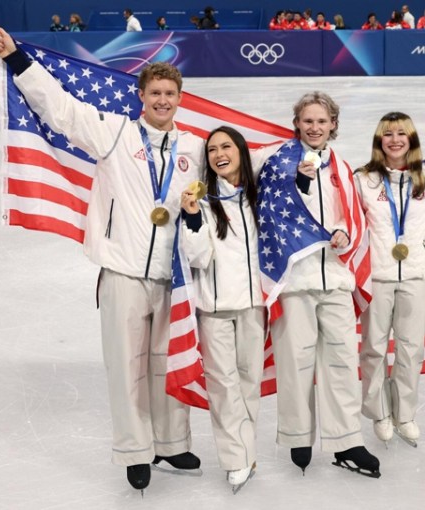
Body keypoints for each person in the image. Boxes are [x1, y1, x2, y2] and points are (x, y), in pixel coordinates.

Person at [0, 26, 204, 493]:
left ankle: (171, 443)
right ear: (141, 96)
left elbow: (236, 172)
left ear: (179, 98)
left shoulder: (194, 148)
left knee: (168, 361)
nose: (162, 100)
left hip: (174, 276)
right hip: (123, 271)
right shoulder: (115, 132)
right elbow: (62, 110)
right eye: (155, 93)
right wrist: (17, 59)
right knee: (127, 366)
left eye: (169, 94)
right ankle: (135, 451)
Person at [251, 92, 381, 478]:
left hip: (335, 276)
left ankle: (347, 441)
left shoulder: (341, 165)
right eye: (307, 120)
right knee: (296, 360)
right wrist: (298, 182)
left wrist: (343, 232)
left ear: (333, 124)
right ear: (296, 123)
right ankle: (298, 436)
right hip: (294, 278)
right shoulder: (279, 161)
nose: (314, 127)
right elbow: (267, 203)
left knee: (342, 360)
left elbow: (352, 216)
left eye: (322, 121)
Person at [180, 126, 264, 493]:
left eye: (226, 146)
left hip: (254, 307)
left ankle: (246, 451)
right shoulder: (203, 201)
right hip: (214, 309)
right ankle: (236, 459)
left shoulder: (257, 197)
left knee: (248, 384)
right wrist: (192, 218)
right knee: (224, 387)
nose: (219, 154)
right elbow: (197, 257)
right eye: (212, 150)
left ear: (241, 152)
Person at [355, 113, 425, 448]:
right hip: (378, 276)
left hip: (414, 273)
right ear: (379, 140)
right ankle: (379, 412)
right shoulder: (363, 179)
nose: (395, 140)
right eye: (388, 134)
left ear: (411, 138)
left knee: (410, 348)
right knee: (374, 347)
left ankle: (405, 413)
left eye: (402, 133)